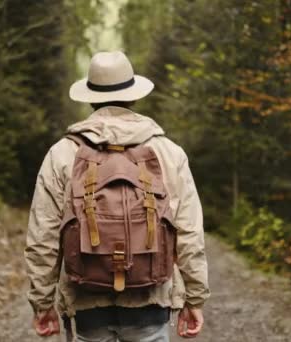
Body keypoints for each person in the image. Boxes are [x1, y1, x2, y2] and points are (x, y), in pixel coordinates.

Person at [25, 51, 209, 342]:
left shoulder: (62, 153)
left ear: (90, 98)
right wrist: (195, 298)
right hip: (150, 302)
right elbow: (189, 233)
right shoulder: (168, 153)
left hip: (87, 303)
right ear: (134, 96)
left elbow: (43, 237)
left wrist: (42, 303)